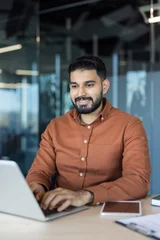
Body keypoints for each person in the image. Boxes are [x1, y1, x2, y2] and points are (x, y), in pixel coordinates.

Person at [26, 55, 151, 212]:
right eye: (74, 86)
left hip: (106, 213)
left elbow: (138, 181)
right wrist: (35, 188)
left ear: (104, 86)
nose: (81, 93)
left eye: (89, 85)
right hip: (61, 212)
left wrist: (86, 195)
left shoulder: (130, 126)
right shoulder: (55, 127)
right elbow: (40, 171)